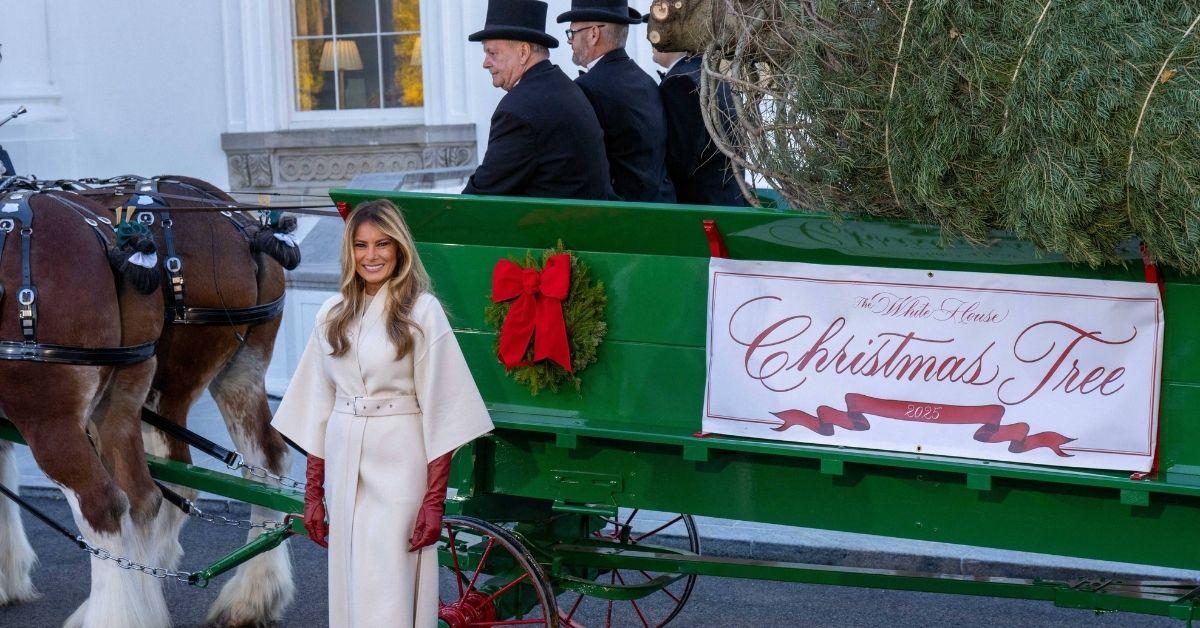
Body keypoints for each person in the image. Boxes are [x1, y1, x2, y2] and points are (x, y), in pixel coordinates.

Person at [271, 200, 494, 627]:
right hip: (342, 457)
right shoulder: (331, 314)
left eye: (382, 244)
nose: (371, 255)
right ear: (348, 251)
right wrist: (312, 494)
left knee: (392, 583)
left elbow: (445, 409)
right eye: (360, 245)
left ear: (400, 249)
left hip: (400, 460)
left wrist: (434, 503)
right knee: (351, 580)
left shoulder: (421, 311)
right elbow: (316, 408)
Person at [463, 0, 613, 200]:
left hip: (557, 228)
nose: (485, 63)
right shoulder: (565, 87)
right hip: (588, 222)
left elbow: (480, 195)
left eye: (492, 53)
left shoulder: (518, 111)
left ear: (523, 52)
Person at [559, 0, 674, 202]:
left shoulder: (586, 87)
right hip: (662, 207)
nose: (570, 41)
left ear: (594, 34)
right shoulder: (647, 81)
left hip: (621, 216)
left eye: (572, 33)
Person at [651, 44, 748, 207]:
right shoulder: (711, 73)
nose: (649, 39)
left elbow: (680, 161)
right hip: (726, 199)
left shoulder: (681, 80)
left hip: (701, 210)